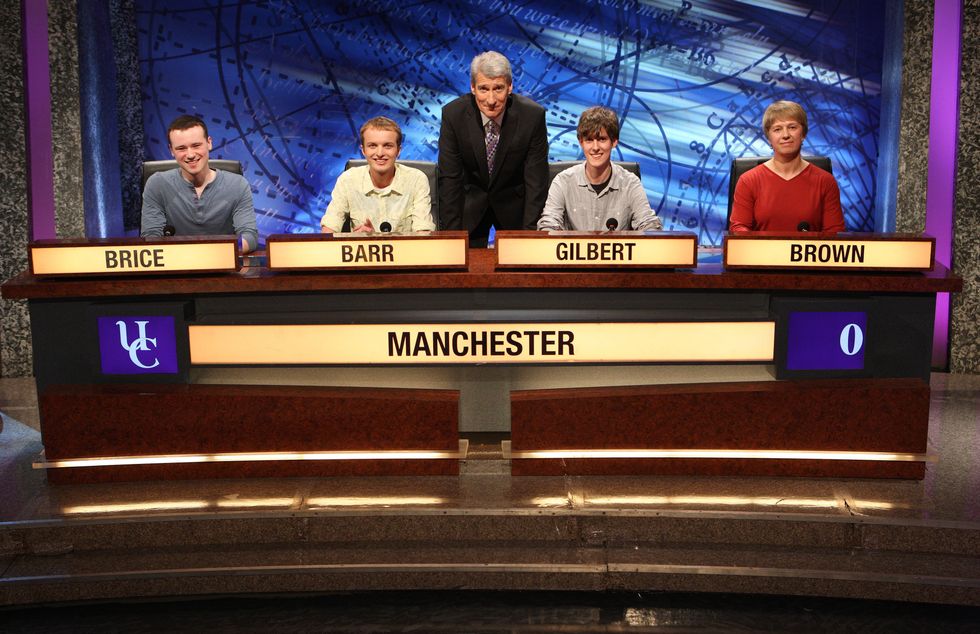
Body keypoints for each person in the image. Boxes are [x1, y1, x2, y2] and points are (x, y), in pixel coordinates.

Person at [438, 51, 549, 246]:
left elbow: (536, 181)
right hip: (468, 205)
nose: (491, 100)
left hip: (514, 206)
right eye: (483, 89)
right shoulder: (453, 115)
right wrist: (452, 237)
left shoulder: (532, 116)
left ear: (510, 87)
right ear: (472, 87)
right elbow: (450, 179)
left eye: (498, 88)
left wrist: (530, 235)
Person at [141, 115, 258, 252]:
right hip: (177, 267)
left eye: (196, 145)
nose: (190, 154)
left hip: (225, 266)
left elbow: (249, 237)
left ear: (209, 143)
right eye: (181, 148)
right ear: (171, 150)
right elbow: (151, 238)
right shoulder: (157, 184)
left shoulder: (237, 184)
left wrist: (216, 254)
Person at [538, 106, 662, 232]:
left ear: (614, 142)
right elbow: (548, 223)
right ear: (581, 142)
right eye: (589, 140)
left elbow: (648, 224)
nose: (595, 147)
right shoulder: (563, 181)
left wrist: (650, 233)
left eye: (602, 139)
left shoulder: (630, 183)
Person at [729, 100, 845, 233]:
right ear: (769, 138)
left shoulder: (825, 181)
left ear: (803, 134)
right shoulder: (748, 180)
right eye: (777, 129)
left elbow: (834, 234)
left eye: (792, 127)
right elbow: (739, 229)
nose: (785, 135)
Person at [321, 117, 435, 233]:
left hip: (407, 250)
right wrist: (357, 240)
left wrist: (377, 239)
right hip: (361, 250)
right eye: (372, 146)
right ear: (363, 150)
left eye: (387, 146)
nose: (380, 153)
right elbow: (329, 229)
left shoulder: (416, 180)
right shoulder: (348, 180)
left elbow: (423, 233)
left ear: (398, 150)